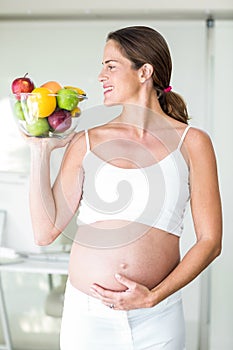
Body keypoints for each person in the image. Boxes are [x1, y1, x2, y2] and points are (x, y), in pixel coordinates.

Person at [26, 26, 222, 350]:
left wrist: (153, 297)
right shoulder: (86, 142)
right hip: (87, 319)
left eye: (111, 65)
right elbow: (44, 232)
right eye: (102, 65)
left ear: (144, 71)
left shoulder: (193, 143)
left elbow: (211, 241)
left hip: (157, 318)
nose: (101, 75)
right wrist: (40, 152)